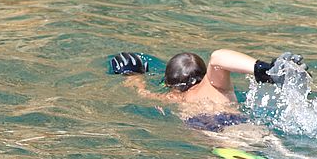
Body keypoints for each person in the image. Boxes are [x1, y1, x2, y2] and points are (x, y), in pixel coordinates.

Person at [110, 49, 306, 132]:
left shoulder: (173, 98)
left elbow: (142, 94)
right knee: (282, 153)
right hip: (242, 124)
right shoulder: (215, 87)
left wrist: (133, 76)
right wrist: (264, 71)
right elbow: (219, 57)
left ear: (168, 83)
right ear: (203, 75)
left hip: (213, 133)